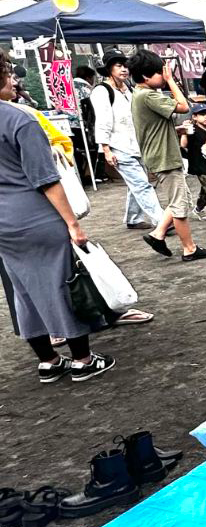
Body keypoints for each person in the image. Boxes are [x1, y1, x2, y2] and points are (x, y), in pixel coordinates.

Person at [0, 51, 113, 383]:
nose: (13, 78)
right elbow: (45, 179)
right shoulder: (20, 119)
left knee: (23, 290)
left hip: (4, 225)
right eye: (8, 71)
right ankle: (83, 359)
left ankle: (48, 361)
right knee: (62, 285)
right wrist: (73, 224)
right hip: (35, 215)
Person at [128, 49, 206, 262]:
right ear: (146, 76)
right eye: (160, 72)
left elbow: (154, 126)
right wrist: (171, 81)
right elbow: (184, 106)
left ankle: (158, 234)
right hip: (164, 156)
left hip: (161, 154)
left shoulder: (140, 95)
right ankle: (189, 248)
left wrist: (175, 131)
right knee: (179, 205)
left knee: (181, 198)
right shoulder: (148, 95)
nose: (164, 75)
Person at [92, 49, 164, 232]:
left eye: (125, 65)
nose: (124, 69)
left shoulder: (130, 88)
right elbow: (102, 121)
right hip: (118, 146)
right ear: (109, 69)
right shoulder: (102, 91)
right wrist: (106, 149)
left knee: (137, 183)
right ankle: (162, 221)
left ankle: (133, 218)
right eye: (118, 65)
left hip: (136, 144)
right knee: (141, 183)